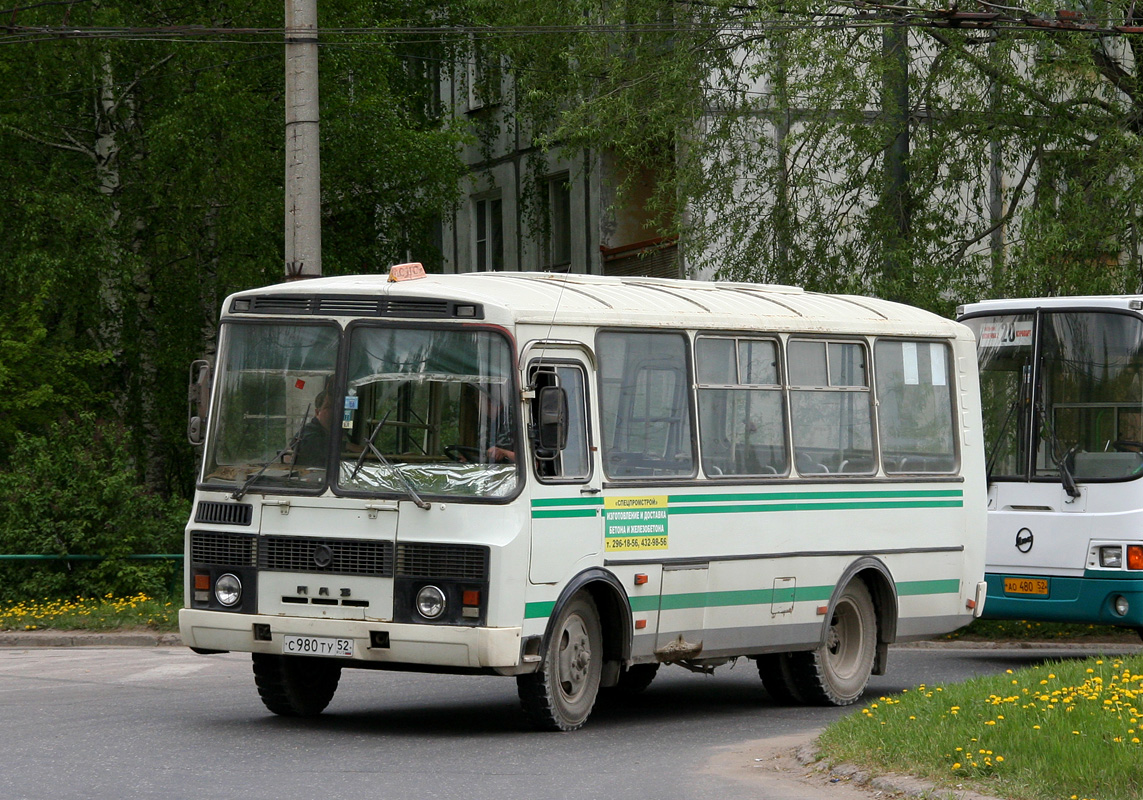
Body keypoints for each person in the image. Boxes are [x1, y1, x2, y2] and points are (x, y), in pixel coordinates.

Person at [294, 390, 333, 467]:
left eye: (339, 407)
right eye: (329, 407)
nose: (335, 411)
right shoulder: (308, 434)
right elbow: (314, 445)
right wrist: (347, 446)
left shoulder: (342, 434)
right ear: (317, 412)